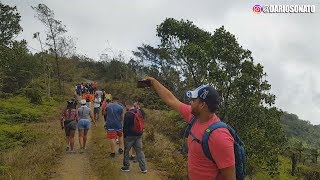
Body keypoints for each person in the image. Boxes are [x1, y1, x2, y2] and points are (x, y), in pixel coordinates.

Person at [144, 77, 235, 180]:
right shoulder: (194, 117)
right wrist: (153, 82)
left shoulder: (219, 136)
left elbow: (230, 177)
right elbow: (171, 100)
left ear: (202, 105)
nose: (190, 102)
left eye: (193, 100)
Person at [121, 100, 147, 173]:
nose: (125, 107)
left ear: (128, 105)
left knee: (126, 151)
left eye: (126, 106)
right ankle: (144, 169)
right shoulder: (139, 112)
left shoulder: (128, 114)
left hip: (129, 136)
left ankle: (126, 167)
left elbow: (125, 126)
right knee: (140, 151)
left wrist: (124, 136)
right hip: (139, 135)